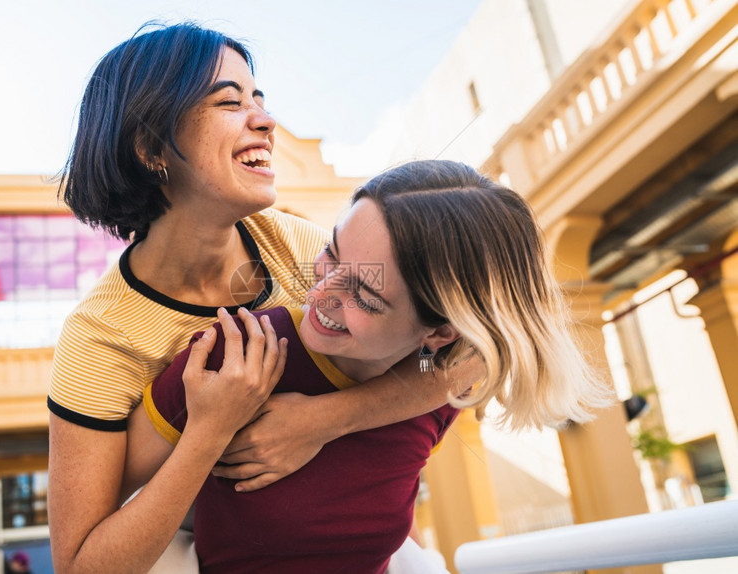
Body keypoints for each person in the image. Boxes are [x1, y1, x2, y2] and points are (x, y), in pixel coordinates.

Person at [47, 23, 482, 574]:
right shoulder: (99, 338)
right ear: (151, 147)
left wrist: (323, 420)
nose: (266, 120)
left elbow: (458, 356)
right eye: (230, 102)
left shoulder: (302, 245)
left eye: (259, 98)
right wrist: (208, 434)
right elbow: (80, 564)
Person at [129, 160, 614, 572]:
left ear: (441, 333)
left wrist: (328, 420)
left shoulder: (440, 386)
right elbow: (102, 524)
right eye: (331, 253)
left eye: (364, 293)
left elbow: (386, 495)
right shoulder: (238, 353)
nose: (319, 294)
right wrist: (208, 435)